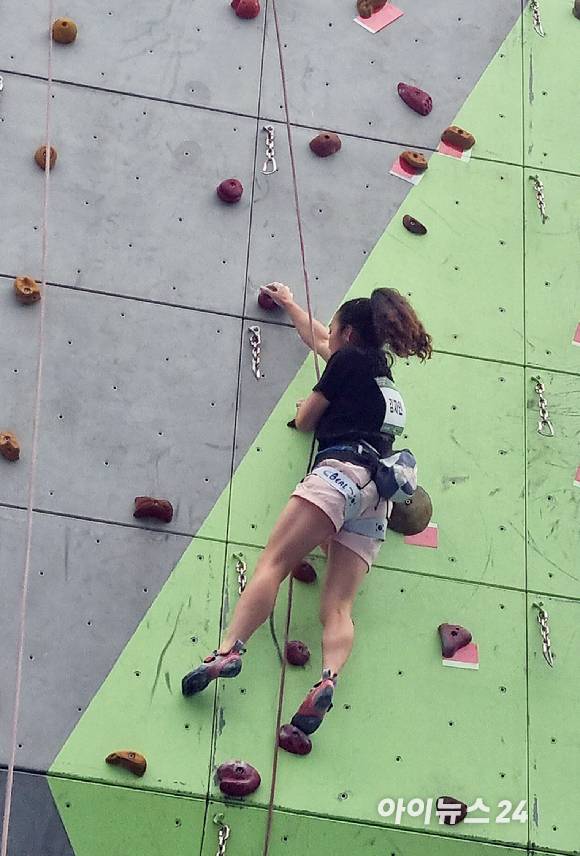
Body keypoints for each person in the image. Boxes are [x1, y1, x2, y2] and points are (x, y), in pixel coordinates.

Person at [182, 283, 432, 738]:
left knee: (273, 564)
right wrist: (292, 305)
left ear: (349, 334)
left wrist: (303, 408)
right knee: (338, 605)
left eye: (335, 331)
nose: (328, 338)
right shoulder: (384, 380)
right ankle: (328, 677)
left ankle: (229, 650)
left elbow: (306, 419)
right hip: (376, 495)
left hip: (338, 475)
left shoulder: (347, 363)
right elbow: (318, 338)